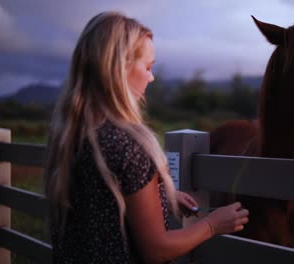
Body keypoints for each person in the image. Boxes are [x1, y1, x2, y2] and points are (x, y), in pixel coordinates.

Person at [43, 11, 249, 263]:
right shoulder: (129, 146)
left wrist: (161, 195)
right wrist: (212, 225)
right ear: (119, 68)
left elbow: (102, 203)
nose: (151, 77)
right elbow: (157, 249)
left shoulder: (70, 136)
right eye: (148, 67)